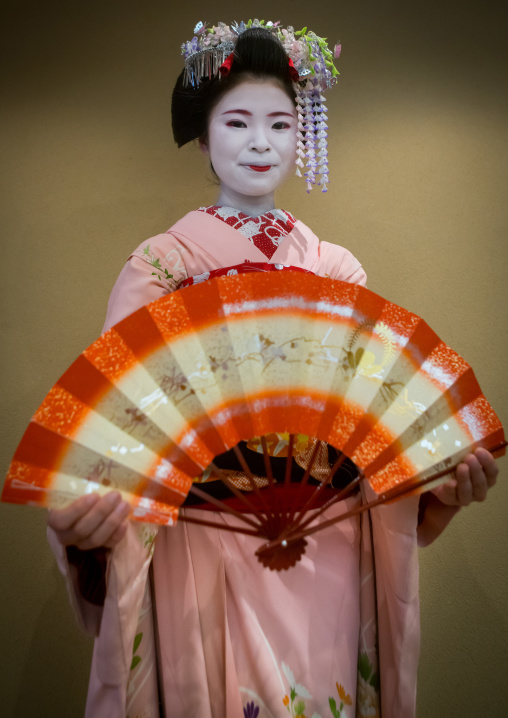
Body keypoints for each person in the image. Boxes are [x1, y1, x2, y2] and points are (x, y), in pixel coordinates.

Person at [47, 22, 499, 718]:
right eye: (237, 121)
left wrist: (435, 481)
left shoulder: (335, 270)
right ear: (204, 137)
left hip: (329, 538)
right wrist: (86, 514)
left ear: (302, 136)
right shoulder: (162, 268)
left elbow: (369, 429)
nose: (261, 142)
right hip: (203, 537)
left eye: (282, 123)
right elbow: (116, 428)